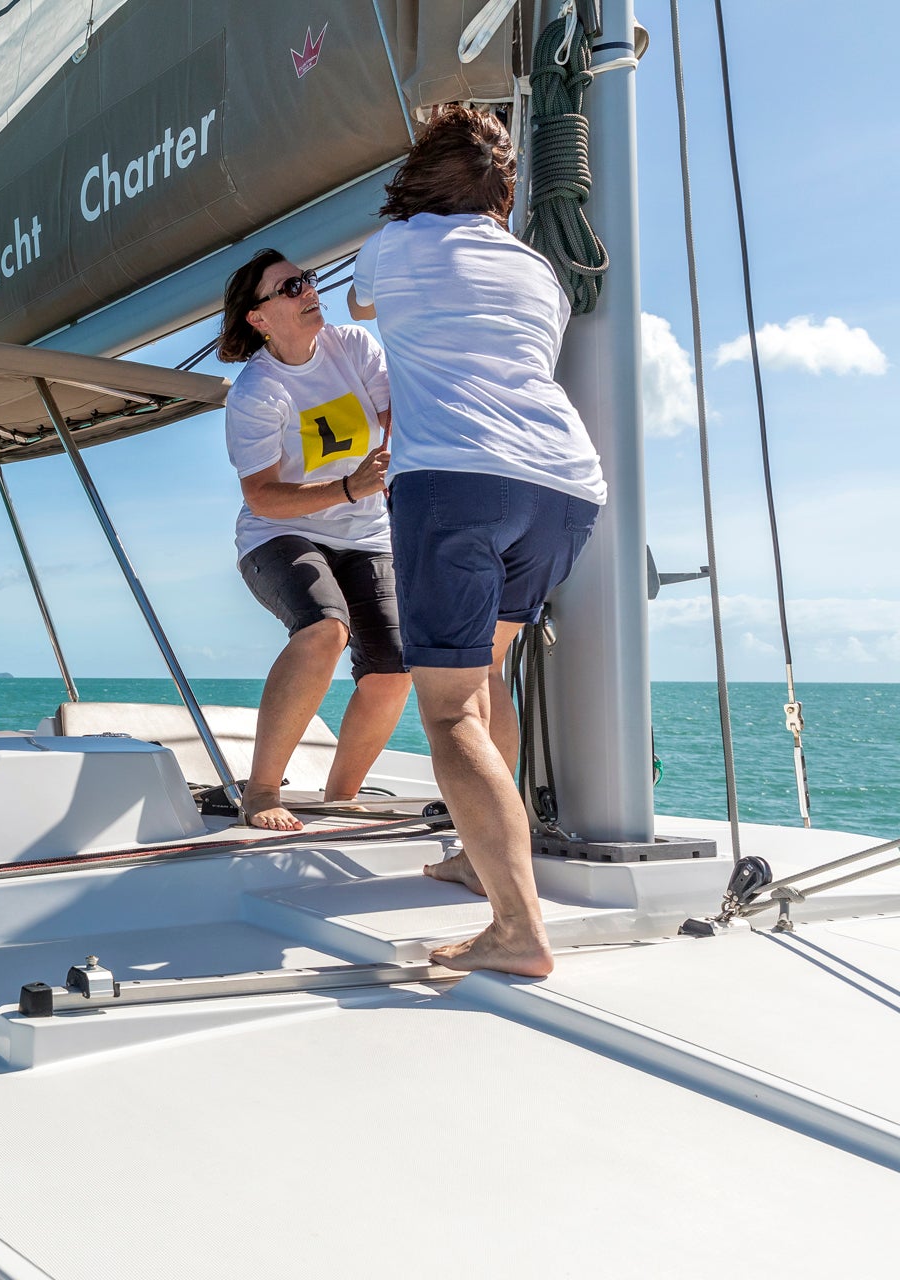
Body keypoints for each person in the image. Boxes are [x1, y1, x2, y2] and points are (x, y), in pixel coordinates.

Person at [348, 104, 607, 977]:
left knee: (449, 706)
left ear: (422, 178)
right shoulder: (540, 272)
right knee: (481, 677)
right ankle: (477, 853)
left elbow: (358, 300)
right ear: (504, 193)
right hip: (564, 488)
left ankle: (516, 927)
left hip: (457, 483)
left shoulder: (395, 245)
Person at [217, 248, 412, 831]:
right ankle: (260, 791)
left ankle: (338, 798)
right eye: (292, 286)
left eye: (308, 281)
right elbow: (262, 496)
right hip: (278, 534)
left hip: (368, 535)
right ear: (259, 317)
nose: (310, 291)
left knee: (394, 668)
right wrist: (350, 486)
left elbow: (397, 415)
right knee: (325, 628)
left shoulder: (351, 345)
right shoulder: (256, 392)